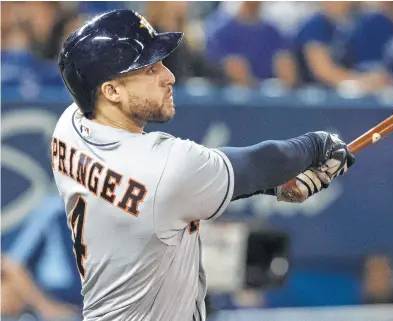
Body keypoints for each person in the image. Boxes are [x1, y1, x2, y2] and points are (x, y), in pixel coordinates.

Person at [52, 9, 355, 321]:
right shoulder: (162, 166)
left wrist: (274, 184)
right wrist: (319, 144)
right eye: (150, 69)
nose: (168, 77)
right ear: (111, 91)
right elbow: (261, 162)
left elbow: (185, 185)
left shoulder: (69, 127)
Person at [293, 1, 393, 91]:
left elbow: (362, 64)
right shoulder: (315, 25)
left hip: (343, 91)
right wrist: (361, 81)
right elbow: (323, 71)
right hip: (312, 95)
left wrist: (374, 78)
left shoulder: (353, 24)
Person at [205, 1, 298, 88]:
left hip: (273, 101)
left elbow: (287, 73)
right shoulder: (223, 32)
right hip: (237, 100)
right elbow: (237, 72)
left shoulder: (274, 32)